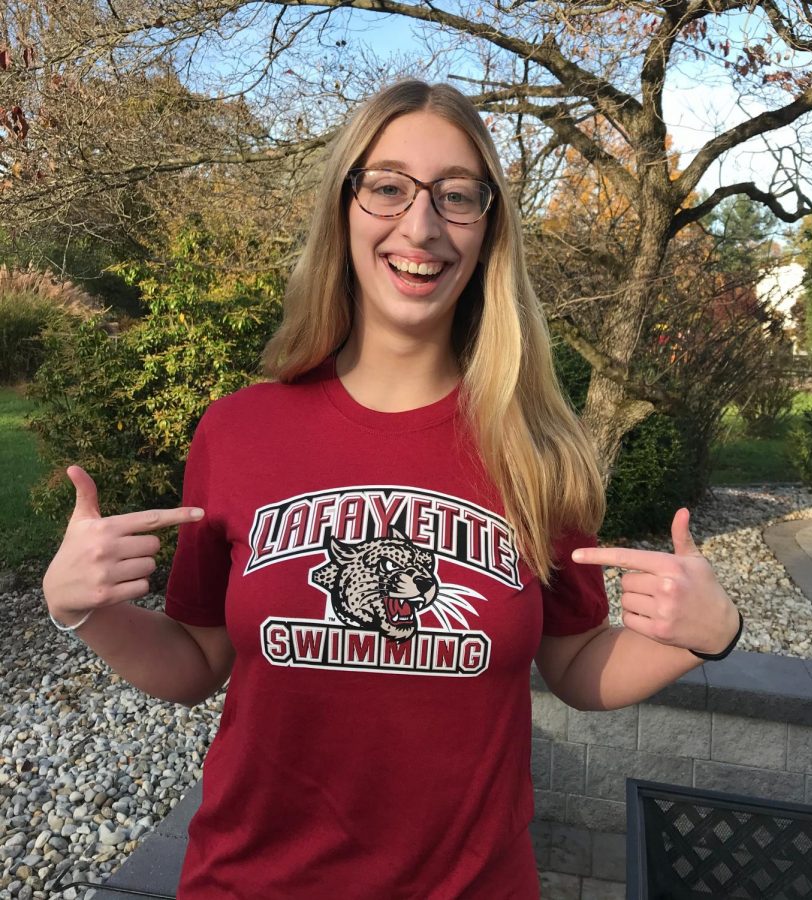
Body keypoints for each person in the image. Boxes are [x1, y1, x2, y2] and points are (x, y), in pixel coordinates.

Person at [43, 80, 743, 899]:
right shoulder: (238, 430)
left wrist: (701, 635)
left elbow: (576, 665)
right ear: (344, 208)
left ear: (488, 231)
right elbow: (197, 660)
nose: (420, 226)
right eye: (387, 187)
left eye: (456, 196)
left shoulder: (537, 446)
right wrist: (82, 609)